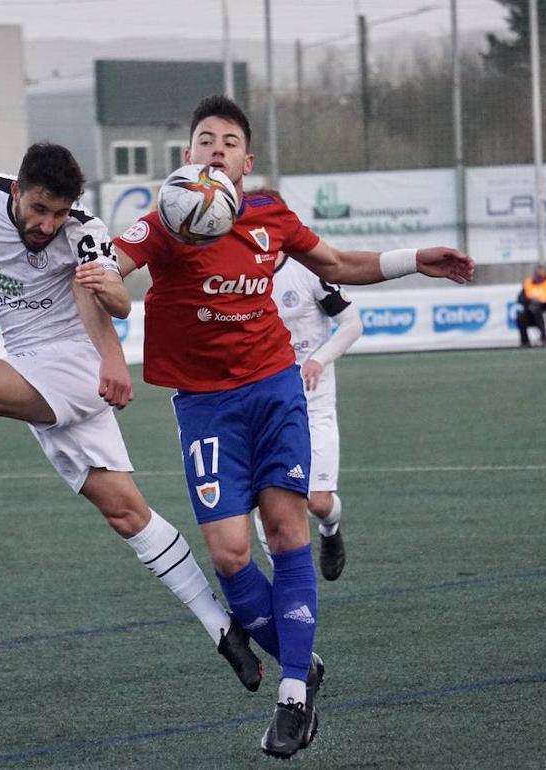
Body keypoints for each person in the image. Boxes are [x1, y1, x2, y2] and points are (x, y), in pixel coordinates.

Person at [112, 95, 474, 759]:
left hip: (275, 389)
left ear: (246, 162)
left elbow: (335, 266)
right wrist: (103, 297)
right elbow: (112, 267)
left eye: (228, 141)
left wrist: (412, 257)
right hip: (203, 405)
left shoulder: (270, 215)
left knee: (285, 528)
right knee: (228, 553)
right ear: (187, 157)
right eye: (203, 139)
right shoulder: (162, 223)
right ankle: (303, 664)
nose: (215, 148)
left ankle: (292, 696)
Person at [0, 142, 262, 692]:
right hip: (36, 366)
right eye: (40, 209)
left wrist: (113, 344)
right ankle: (222, 629)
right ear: (16, 191)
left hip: (73, 364)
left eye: (59, 212)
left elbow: (111, 301)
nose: (48, 223)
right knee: (129, 516)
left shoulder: (84, 230)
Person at [253, 251, 364, 581]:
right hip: (268, 403)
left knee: (317, 502)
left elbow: (352, 324)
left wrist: (318, 359)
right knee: (268, 501)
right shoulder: (240, 273)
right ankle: (288, 584)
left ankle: (331, 529)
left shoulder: (308, 270)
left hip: (314, 403)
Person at [515, 263, 546, 347]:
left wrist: (544, 303)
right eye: (537, 273)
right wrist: (531, 301)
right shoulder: (528, 283)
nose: (539, 275)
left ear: (545, 273)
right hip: (531, 310)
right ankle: (525, 342)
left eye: (541, 272)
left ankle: (544, 339)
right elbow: (520, 299)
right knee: (521, 318)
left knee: (540, 314)